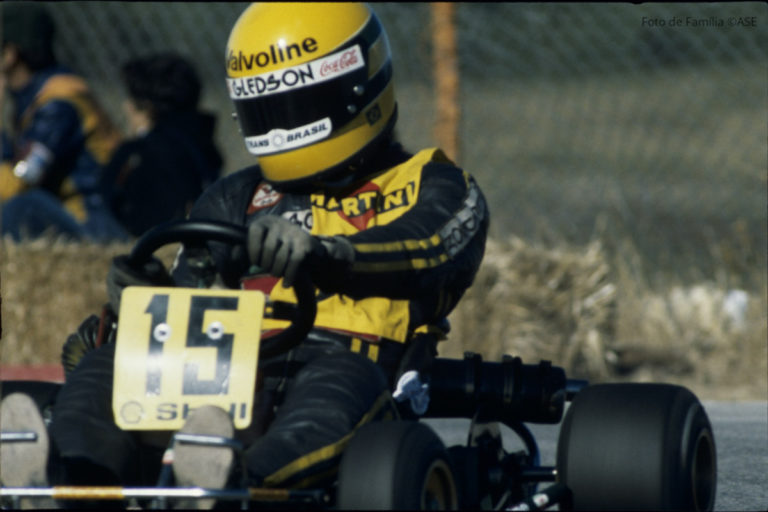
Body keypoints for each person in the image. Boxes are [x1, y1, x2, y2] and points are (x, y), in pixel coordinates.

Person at [0, 2, 489, 507]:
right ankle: (62, 480)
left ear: (356, 88)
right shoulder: (239, 195)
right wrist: (149, 301)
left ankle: (225, 482)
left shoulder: (434, 183)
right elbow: (194, 294)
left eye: (296, 108)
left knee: (330, 390)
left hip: (349, 358)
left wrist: (328, 255)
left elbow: (429, 249)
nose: (280, 129)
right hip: (226, 366)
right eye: (266, 112)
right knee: (109, 365)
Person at [0, 3, 127, 242]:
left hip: (92, 225)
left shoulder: (58, 104)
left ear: (10, 55)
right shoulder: (35, 96)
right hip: (70, 215)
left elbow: (15, 184)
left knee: (22, 206)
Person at [100, 53, 223, 237]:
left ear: (146, 107)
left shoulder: (141, 154)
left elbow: (110, 203)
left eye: (132, 99)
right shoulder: (201, 142)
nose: (126, 106)